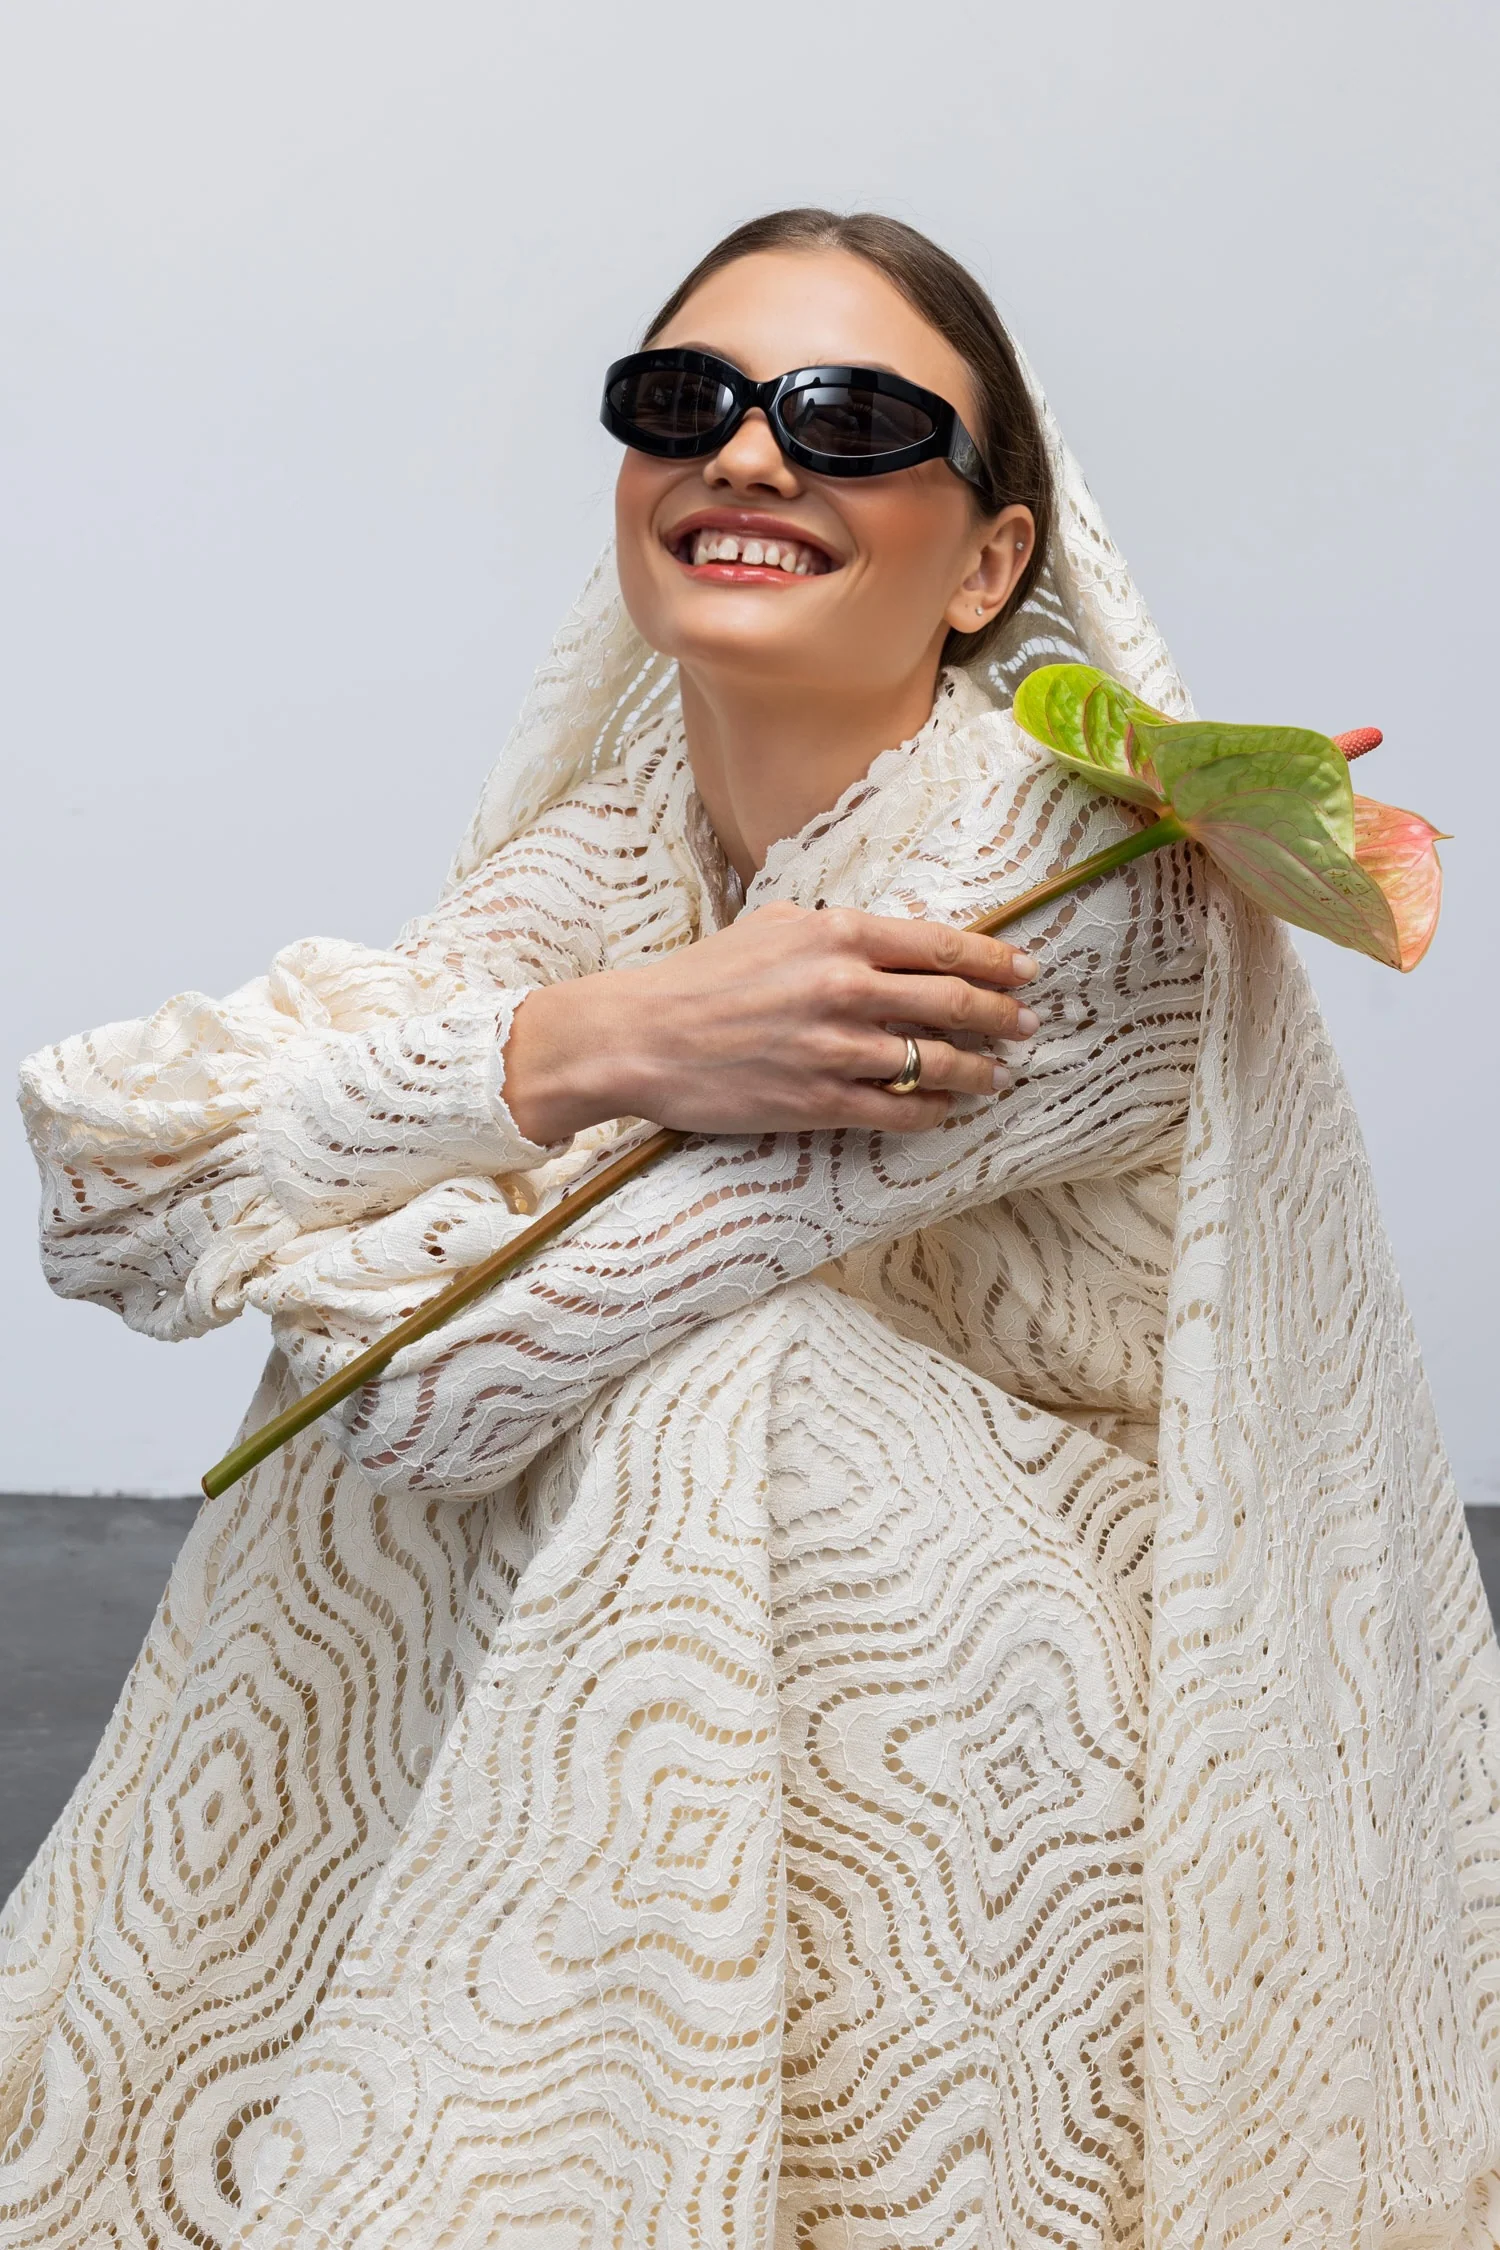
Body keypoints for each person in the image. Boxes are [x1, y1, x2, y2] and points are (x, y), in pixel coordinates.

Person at [4, 208, 1499, 2250]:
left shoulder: (1065, 891)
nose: (750, 454)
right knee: (631, 1381)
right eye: (683, 399)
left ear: (989, 563)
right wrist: (594, 1037)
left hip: (1059, 1698)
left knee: (717, 1375)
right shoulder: (619, 842)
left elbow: (436, 1386)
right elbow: (101, 1168)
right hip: (708, 1574)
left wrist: (408, 1182)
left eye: (851, 418)